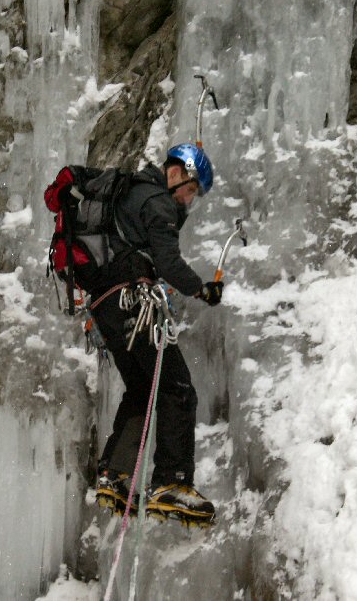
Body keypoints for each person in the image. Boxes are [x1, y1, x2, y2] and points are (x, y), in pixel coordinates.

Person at [93, 143, 223, 524]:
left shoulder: (130, 195)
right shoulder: (159, 202)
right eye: (191, 190)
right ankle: (172, 482)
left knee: (142, 388)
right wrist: (202, 289)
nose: (188, 200)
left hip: (107, 308)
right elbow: (167, 261)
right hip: (134, 302)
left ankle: (115, 474)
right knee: (177, 390)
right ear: (178, 173)